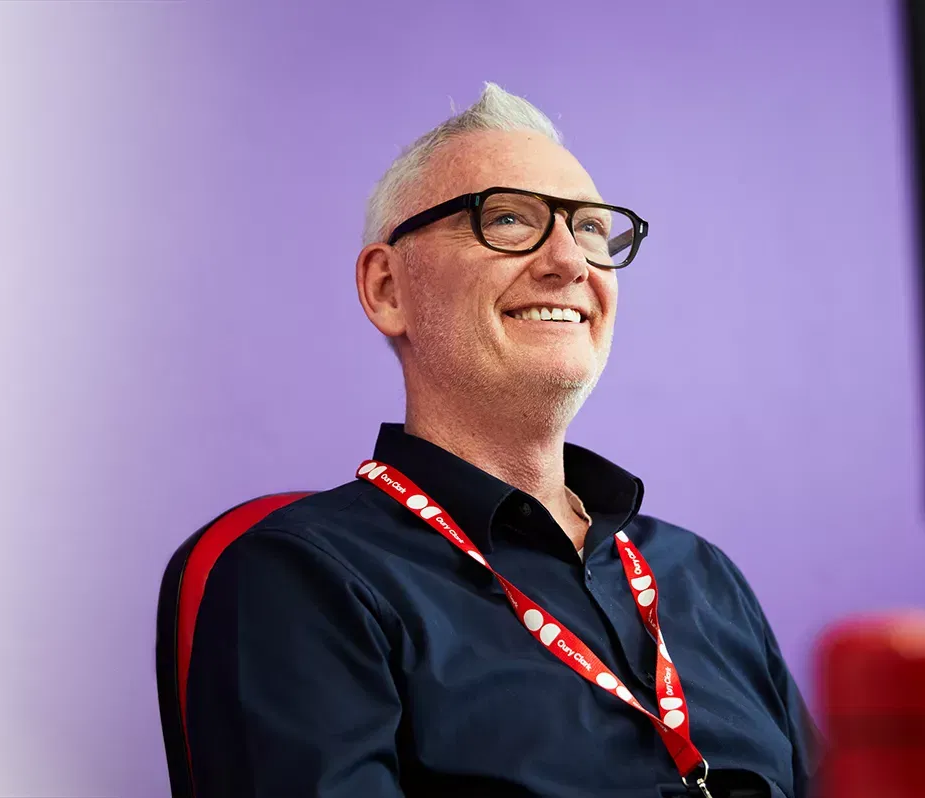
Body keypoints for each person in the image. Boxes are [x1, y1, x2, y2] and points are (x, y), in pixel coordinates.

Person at [182, 83, 818, 798]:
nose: (570, 263)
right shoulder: (304, 579)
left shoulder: (702, 575)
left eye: (589, 231)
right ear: (388, 288)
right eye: (509, 219)